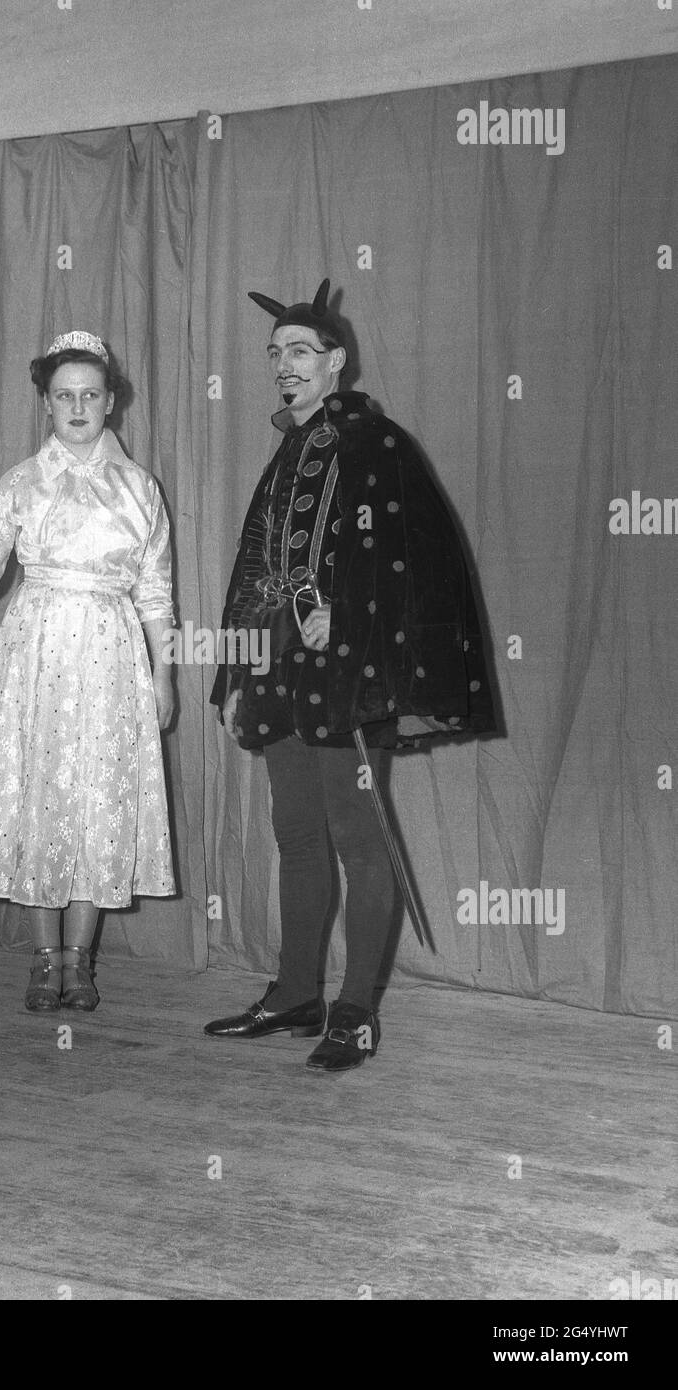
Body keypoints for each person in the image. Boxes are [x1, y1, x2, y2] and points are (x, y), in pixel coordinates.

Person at [205, 280, 496, 1072]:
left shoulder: (379, 444)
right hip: (281, 670)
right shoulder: (288, 450)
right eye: (275, 355)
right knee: (297, 836)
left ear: (336, 360)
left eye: (300, 352)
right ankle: (298, 994)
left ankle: (357, 1012)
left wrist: (354, 620)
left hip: (352, 675)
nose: (284, 366)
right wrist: (239, 665)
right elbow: (258, 565)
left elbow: (419, 561)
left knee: (359, 842)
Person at [0, 331, 176, 1012]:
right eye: (63, 396)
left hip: (112, 657)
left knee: (97, 800)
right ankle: (42, 957)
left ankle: (80, 962)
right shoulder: (21, 484)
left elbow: (156, 594)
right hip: (37, 657)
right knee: (41, 794)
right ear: (46, 405)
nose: (77, 406)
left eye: (90, 394)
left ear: (111, 402)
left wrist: (165, 677)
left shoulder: (140, 488)